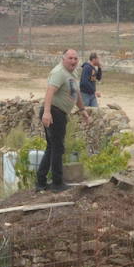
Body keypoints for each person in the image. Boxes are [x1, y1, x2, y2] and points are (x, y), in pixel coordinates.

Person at [36, 49, 90, 193]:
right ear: (63, 59)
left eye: (75, 59)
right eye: (70, 58)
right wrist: (47, 112)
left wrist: (82, 109)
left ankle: (41, 181)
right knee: (58, 148)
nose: (73, 61)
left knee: (52, 147)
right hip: (54, 111)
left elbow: (76, 93)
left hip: (59, 113)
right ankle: (57, 183)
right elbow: (49, 92)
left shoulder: (73, 73)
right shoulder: (59, 72)